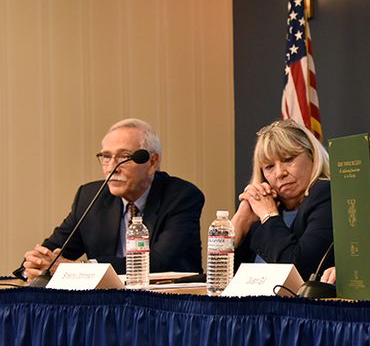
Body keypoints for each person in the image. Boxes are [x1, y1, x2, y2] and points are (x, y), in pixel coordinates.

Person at [18, 118, 203, 279]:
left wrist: (77, 269)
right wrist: (34, 266)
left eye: (124, 156)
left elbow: (158, 262)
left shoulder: (182, 196)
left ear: (152, 162)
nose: (112, 167)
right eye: (106, 157)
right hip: (106, 305)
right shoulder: (90, 196)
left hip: (169, 306)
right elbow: (53, 251)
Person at [232, 119, 333, 279]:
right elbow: (218, 277)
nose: (280, 173)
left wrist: (269, 216)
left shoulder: (325, 194)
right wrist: (240, 222)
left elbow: (298, 271)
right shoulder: (262, 208)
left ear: (312, 156)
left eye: (288, 159)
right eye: (269, 167)